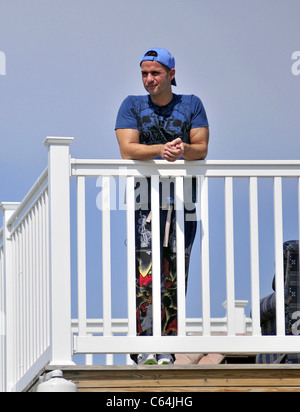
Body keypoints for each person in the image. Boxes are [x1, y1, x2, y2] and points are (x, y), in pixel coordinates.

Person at [115, 47, 209, 365]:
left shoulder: (192, 104)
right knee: (146, 272)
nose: (149, 79)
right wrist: (160, 149)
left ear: (171, 73)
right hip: (146, 201)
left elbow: (202, 148)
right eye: (144, 73)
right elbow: (127, 149)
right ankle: (144, 346)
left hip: (184, 201)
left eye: (155, 72)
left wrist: (181, 150)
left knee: (175, 274)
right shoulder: (131, 105)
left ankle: (167, 348)